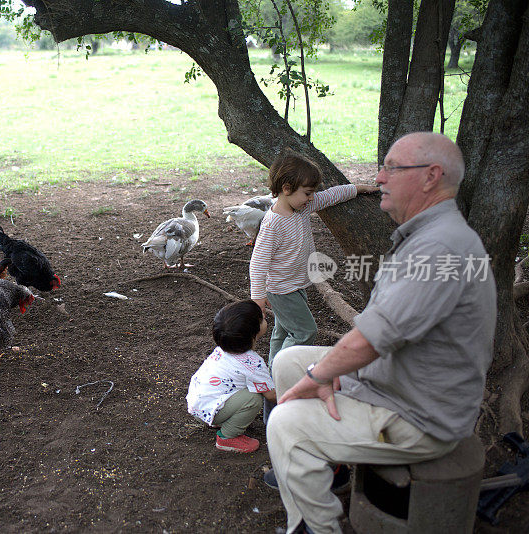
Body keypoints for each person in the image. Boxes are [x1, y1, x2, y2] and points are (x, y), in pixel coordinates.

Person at [265, 132, 497, 534]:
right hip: (397, 381)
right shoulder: (428, 235)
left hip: (421, 413)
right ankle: (330, 471)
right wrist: (316, 374)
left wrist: (320, 376)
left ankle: (317, 529)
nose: (381, 177)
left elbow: (372, 338)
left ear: (430, 177)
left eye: (392, 168)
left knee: (286, 423)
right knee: (288, 360)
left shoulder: (440, 247)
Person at [249, 152, 379, 421]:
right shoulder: (272, 223)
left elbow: (331, 195)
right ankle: (281, 374)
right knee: (306, 331)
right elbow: (258, 263)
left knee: (283, 330)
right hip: (281, 289)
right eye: (307, 193)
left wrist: (359, 188)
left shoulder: (303, 206)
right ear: (286, 189)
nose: (311, 198)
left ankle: (274, 371)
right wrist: (258, 298)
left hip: (297, 285)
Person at [186, 300, 275, 453]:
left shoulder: (222, 349)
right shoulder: (253, 363)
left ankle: (221, 418)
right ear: (254, 333)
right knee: (254, 398)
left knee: (246, 389)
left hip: (198, 407)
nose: (264, 319)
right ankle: (227, 437)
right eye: (262, 319)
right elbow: (271, 395)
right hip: (212, 412)